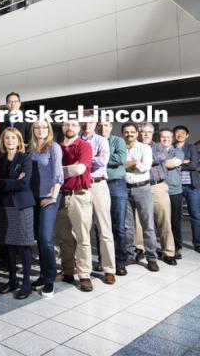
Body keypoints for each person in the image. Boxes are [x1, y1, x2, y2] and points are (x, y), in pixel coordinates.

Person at [0, 128, 35, 299]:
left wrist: (2, 182)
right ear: (3, 141)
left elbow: (24, 184)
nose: (10, 140)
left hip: (22, 206)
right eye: (7, 138)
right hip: (5, 206)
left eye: (13, 138)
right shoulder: (0, 158)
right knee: (9, 244)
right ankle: (12, 280)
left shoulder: (25, 158)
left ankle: (26, 283)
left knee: (24, 244)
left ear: (19, 141)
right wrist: (12, 181)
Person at [56, 118, 94, 292]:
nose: (69, 127)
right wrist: (69, 168)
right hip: (60, 196)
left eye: (73, 124)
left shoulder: (84, 146)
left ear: (79, 128)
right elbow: (72, 168)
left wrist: (57, 171)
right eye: (66, 124)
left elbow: (80, 169)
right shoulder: (56, 146)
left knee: (82, 237)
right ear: (62, 127)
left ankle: (84, 274)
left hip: (79, 195)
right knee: (64, 237)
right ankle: (68, 270)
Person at [30, 118, 63, 298]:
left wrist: (53, 197)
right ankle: (43, 275)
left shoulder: (53, 147)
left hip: (50, 197)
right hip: (34, 198)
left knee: (45, 237)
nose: (40, 129)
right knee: (39, 240)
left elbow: (58, 173)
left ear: (48, 129)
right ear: (33, 130)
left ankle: (50, 279)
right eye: (37, 127)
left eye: (44, 127)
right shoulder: (31, 149)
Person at [81, 117, 116, 284]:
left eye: (91, 122)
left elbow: (103, 161)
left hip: (98, 185)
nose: (87, 125)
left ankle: (109, 268)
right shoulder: (75, 140)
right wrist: (90, 158)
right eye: (84, 122)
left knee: (104, 229)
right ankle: (84, 270)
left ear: (96, 124)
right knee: (82, 230)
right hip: (81, 186)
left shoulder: (101, 140)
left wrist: (82, 159)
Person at [136, 123, 176, 265]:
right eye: (142, 131)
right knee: (139, 221)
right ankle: (139, 249)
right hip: (140, 187)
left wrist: (138, 160)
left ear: (153, 134)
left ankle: (168, 251)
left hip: (157, 186)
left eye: (148, 132)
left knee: (163, 219)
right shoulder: (134, 146)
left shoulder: (159, 146)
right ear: (138, 133)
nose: (145, 134)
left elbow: (155, 159)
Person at [122, 122, 159, 272]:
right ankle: (130, 255)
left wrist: (129, 164)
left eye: (132, 132)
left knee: (148, 225)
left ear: (137, 133)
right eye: (126, 132)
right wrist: (134, 163)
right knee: (127, 226)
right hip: (125, 189)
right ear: (123, 133)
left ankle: (151, 258)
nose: (129, 134)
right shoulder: (120, 148)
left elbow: (145, 167)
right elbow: (117, 166)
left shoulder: (145, 148)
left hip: (142, 189)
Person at [97, 120, 128, 275]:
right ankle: (104, 260)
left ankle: (120, 262)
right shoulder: (94, 141)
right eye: (100, 125)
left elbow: (121, 159)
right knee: (100, 226)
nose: (103, 128)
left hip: (116, 185)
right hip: (98, 184)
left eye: (106, 125)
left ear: (111, 127)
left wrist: (101, 157)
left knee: (118, 226)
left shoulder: (118, 141)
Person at [174, 125, 200, 255]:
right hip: (176, 187)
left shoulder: (192, 147)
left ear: (187, 135)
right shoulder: (171, 148)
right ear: (174, 135)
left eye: (183, 133)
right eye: (177, 133)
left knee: (195, 215)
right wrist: (185, 162)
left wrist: (178, 163)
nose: (180, 135)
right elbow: (167, 165)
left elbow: (194, 165)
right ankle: (177, 244)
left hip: (192, 187)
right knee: (176, 216)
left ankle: (198, 243)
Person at [159, 128, 184, 256]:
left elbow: (173, 163)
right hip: (159, 190)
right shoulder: (156, 150)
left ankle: (177, 247)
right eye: (163, 137)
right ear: (159, 138)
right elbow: (166, 163)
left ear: (172, 139)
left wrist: (154, 163)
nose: (166, 139)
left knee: (175, 220)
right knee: (162, 221)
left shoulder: (178, 151)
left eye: (169, 137)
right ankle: (164, 247)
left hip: (174, 191)